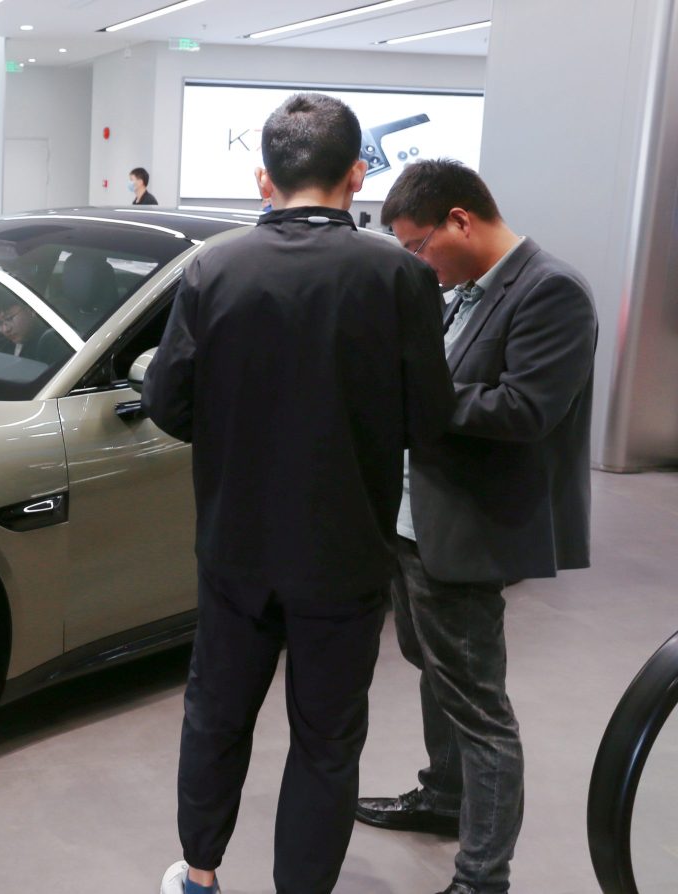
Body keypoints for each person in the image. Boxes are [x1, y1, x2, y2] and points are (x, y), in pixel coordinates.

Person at [144, 93, 455, 894]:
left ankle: (200, 875)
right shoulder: (401, 275)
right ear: (358, 175)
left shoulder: (213, 268)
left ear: (263, 178)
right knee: (327, 741)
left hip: (235, 546)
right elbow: (430, 418)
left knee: (216, 716)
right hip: (346, 553)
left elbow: (167, 404)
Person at [356, 160, 598, 894]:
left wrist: (415, 396)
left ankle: (483, 877)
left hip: (468, 529)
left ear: (460, 220)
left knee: (479, 708)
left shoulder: (552, 290)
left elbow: (527, 410)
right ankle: (443, 796)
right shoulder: (460, 292)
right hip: (415, 521)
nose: (417, 264)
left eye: (419, 246)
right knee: (436, 671)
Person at [0, 282, 65, 363]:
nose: (6, 329)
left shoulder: (49, 343)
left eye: (9, 318)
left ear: (30, 308)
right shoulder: (1, 341)